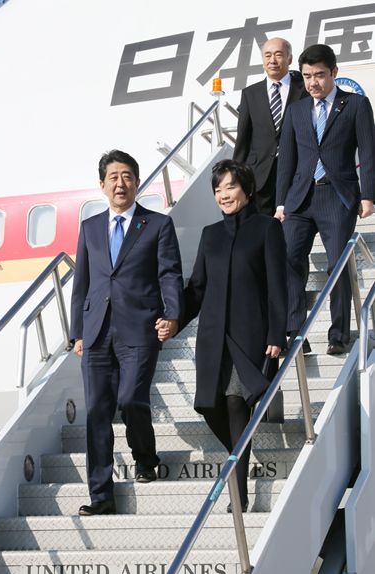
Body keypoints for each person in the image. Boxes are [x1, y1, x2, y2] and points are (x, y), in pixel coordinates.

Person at [158, 160, 287, 511]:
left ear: (245, 188)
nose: (223, 195)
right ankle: (238, 454)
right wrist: (174, 321)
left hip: (250, 333)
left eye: (229, 187)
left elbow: (278, 286)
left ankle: (239, 492)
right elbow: (197, 288)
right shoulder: (210, 235)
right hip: (213, 335)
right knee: (209, 405)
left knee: (235, 402)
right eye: (217, 190)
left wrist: (278, 332)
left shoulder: (266, 229)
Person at [70, 149, 183, 516]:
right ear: (102, 185)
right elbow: (82, 283)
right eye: (113, 177)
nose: (121, 183)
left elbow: (169, 273)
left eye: (127, 176)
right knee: (97, 413)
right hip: (97, 330)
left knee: (132, 399)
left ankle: (145, 457)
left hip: (140, 327)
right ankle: (101, 496)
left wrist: (173, 314)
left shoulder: (157, 225)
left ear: (137, 181)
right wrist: (77, 333)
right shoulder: (89, 229)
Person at [275, 44, 375, 355]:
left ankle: (339, 335)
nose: (313, 83)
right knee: (289, 261)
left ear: (334, 72)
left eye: (319, 75)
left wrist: (369, 195)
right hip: (299, 201)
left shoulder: (356, 105)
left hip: (337, 196)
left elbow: (369, 153)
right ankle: (295, 332)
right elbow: (287, 162)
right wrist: (281, 203)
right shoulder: (295, 111)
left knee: (337, 265)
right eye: (306, 76)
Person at [233, 37, 307, 216]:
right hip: (259, 177)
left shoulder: (304, 89)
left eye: (278, 54)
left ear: (289, 59)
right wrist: (236, 177)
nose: (272, 60)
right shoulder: (250, 93)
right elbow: (243, 138)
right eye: (267, 55)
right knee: (262, 232)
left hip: (296, 174)